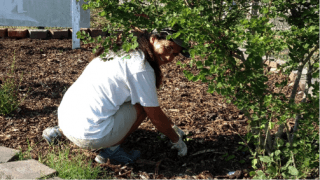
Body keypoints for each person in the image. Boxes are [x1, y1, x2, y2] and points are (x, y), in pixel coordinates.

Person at [42, 27, 190, 164]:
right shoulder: (141, 67)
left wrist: (170, 125)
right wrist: (176, 140)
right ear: (153, 39)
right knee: (142, 107)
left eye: (175, 54)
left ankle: (58, 132)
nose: (170, 57)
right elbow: (154, 114)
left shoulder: (121, 51)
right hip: (89, 135)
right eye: (168, 48)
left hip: (65, 118)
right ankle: (111, 152)